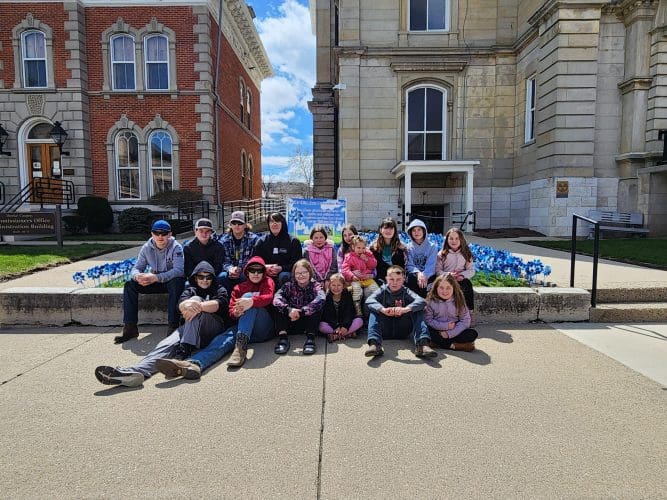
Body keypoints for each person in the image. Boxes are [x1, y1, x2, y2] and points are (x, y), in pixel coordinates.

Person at [95, 261, 230, 386]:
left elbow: (219, 305)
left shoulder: (219, 289)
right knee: (164, 345)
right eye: (201, 277)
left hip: (212, 329)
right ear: (195, 278)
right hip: (189, 328)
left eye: (208, 277)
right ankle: (136, 372)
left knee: (194, 300)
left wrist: (197, 305)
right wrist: (188, 305)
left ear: (213, 278)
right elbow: (180, 307)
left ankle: (184, 350)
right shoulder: (190, 290)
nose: (205, 280)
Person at [155, 256, 276, 377]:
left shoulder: (267, 282)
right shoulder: (238, 288)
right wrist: (236, 313)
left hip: (263, 327)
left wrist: (252, 301)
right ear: (247, 272)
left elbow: (269, 297)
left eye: (259, 270)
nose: (255, 273)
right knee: (221, 341)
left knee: (248, 297)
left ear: (263, 272)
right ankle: (193, 364)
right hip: (243, 330)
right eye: (252, 270)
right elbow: (231, 312)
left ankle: (240, 348)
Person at [115, 219, 185, 344]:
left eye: (164, 233)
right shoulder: (147, 247)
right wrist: (138, 277)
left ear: (170, 234)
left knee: (177, 282)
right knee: (130, 285)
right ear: (151, 234)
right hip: (154, 281)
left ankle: (173, 326)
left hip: (168, 282)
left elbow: (179, 271)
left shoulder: (176, 247)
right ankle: (130, 327)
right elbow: (136, 268)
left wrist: (156, 277)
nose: (160, 236)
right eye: (156, 233)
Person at [364, 265, 436, 359]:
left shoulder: (406, 291)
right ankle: (374, 344)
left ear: (403, 280)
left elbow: (422, 301)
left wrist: (405, 309)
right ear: (386, 279)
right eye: (391, 279)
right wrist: (383, 310)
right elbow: (369, 300)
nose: (395, 282)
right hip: (385, 330)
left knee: (417, 310)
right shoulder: (382, 290)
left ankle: (422, 344)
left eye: (398, 279)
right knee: (375, 311)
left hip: (402, 330)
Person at [273, 259, 325, 356]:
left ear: (310, 272)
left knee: (316, 308)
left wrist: (302, 311)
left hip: (307, 321)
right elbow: (277, 298)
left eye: (304, 272)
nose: (301, 275)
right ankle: (283, 339)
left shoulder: (315, 285)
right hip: (291, 320)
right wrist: (288, 310)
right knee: (278, 308)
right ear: (294, 275)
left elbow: (321, 298)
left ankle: (310, 339)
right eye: (298, 273)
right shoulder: (289, 285)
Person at [424, 273, 478, 352]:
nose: (445, 291)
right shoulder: (431, 301)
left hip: (455, 330)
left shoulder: (459, 300)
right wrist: (445, 326)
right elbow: (428, 320)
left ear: (454, 288)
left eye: (448, 288)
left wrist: (449, 333)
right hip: (437, 329)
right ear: (436, 288)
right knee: (426, 331)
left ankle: (438, 343)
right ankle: (454, 346)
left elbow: (465, 320)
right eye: (441, 288)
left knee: (472, 334)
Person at [253, 212, 302, 287]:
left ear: (283, 223)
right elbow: (255, 260)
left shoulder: (293, 241)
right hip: (265, 271)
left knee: (284, 275)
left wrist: (281, 268)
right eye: (272, 221)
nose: (274, 224)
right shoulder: (261, 241)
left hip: (285, 273)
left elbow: (297, 263)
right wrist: (265, 268)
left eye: (277, 221)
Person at [435, 227, 475, 320]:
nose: (454, 241)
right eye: (451, 238)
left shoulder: (466, 253)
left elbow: (471, 270)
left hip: (460, 279)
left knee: (467, 285)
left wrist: (462, 275)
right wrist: (449, 274)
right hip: (446, 280)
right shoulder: (442, 254)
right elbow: (438, 270)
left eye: (457, 238)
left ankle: (470, 313)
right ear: (447, 240)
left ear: (461, 239)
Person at [217, 211, 258, 293]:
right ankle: (226, 300)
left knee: (244, 276)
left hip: (246, 270)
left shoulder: (254, 239)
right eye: (234, 223)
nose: (237, 225)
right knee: (222, 276)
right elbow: (224, 260)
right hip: (230, 270)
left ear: (245, 225)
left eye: (240, 223)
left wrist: (240, 269)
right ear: (230, 225)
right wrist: (230, 269)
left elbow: (253, 259)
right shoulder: (224, 240)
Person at [319, 273, 363, 342]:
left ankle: (335, 335)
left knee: (359, 321)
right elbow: (327, 315)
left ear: (343, 286)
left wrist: (345, 326)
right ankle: (347, 334)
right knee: (321, 325)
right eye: (333, 285)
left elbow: (350, 312)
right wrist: (336, 327)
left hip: (345, 322)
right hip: (332, 324)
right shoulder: (327, 296)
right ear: (329, 286)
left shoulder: (347, 295)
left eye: (339, 285)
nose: (336, 288)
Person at [341, 234, 379, 315]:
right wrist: (352, 276)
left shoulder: (368, 254)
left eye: (363, 248)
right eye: (358, 248)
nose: (361, 250)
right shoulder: (349, 256)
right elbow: (345, 269)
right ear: (352, 247)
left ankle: (373, 309)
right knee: (357, 291)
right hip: (356, 279)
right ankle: (358, 310)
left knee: (376, 289)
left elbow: (374, 265)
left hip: (367, 278)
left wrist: (367, 259)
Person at [405, 218, 438, 297]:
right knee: (411, 279)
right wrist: (419, 274)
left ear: (424, 231)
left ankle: (424, 305)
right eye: (414, 230)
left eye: (419, 230)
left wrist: (425, 275)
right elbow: (409, 265)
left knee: (425, 285)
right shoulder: (409, 247)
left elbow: (431, 265)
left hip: (428, 274)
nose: (416, 232)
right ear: (410, 232)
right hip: (415, 274)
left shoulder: (432, 247)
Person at [370, 218, 406, 283]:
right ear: (381, 230)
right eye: (386, 228)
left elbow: (403, 267)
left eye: (391, 228)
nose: (388, 231)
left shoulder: (401, 248)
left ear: (395, 230)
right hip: (380, 279)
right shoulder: (374, 248)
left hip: (396, 280)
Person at [302, 225, 337, 290]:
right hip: (314, 278)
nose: (319, 240)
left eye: (321, 237)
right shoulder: (307, 251)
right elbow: (309, 268)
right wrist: (319, 279)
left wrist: (327, 279)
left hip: (330, 277)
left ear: (325, 238)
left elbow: (333, 266)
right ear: (312, 239)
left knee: (331, 286)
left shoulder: (331, 249)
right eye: (316, 238)